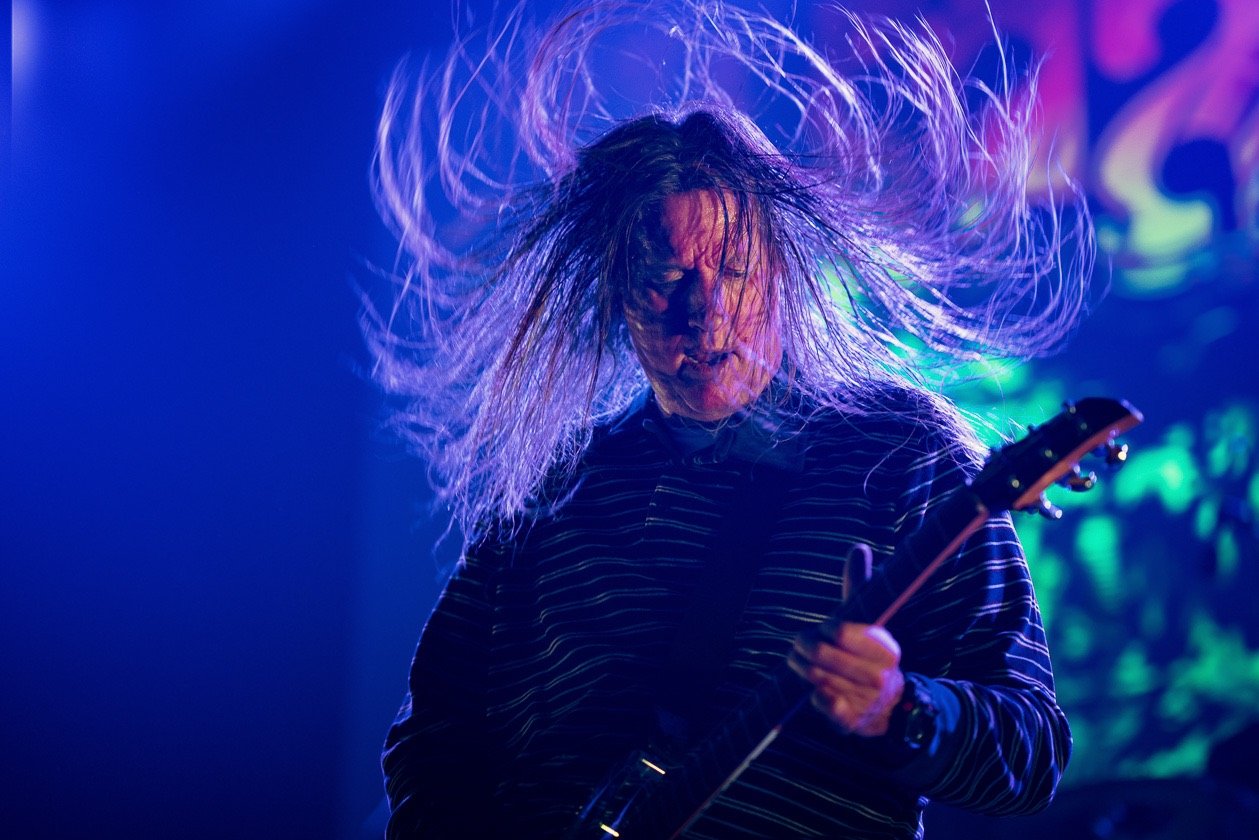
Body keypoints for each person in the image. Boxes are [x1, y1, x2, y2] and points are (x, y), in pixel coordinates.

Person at [368, 3, 1090, 837]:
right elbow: (436, 741)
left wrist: (901, 709)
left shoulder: (900, 458)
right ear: (614, 296)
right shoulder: (548, 496)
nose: (703, 314)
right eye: (666, 279)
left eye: (733, 271)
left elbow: (1032, 750)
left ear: (780, 272)